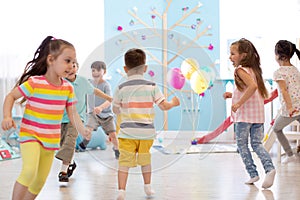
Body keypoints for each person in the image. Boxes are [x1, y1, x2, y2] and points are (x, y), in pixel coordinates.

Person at [1, 36, 91, 200]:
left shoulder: (68, 88)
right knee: (29, 172)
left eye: (74, 61)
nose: (72, 65)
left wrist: (82, 129)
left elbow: (73, 113)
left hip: (50, 140)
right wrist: (7, 116)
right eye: (67, 60)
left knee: (40, 180)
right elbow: (10, 96)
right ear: (51, 60)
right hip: (31, 135)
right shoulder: (34, 83)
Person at [113, 48, 180, 200]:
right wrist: (174, 103)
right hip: (146, 133)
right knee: (145, 159)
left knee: (124, 161)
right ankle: (148, 187)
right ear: (145, 68)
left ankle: (121, 191)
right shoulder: (152, 86)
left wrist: (122, 108)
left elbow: (115, 109)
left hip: (127, 133)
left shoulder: (121, 88)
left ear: (125, 69)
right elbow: (163, 106)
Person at [223, 38, 276, 189]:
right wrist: (232, 95)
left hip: (245, 116)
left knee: (242, 145)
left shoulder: (240, 70)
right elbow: (249, 91)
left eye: (233, 54)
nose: (230, 57)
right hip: (257, 115)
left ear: (243, 55)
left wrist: (238, 103)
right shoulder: (254, 70)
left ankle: (253, 172)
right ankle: (268, 169)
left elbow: (251, 87)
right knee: (257, 144)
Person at [55, 62, 113, 182]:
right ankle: (71, 162)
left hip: (77, 118)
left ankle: (63, 171)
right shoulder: (60, 82)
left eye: (73, 67)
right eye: (67, 68)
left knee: (70, 141)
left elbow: (95, 91)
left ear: (77, 67)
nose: (71, 70)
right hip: (61, 118)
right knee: (62, 143)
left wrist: (108, 98)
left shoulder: (82, 81)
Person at [78, 61, 120, 159]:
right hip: (93, 114)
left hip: (107, 115)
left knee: (113, 134)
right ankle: (84, 143)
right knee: (88, 130)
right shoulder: (89, 83)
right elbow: (83, 94)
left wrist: (101, 107)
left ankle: (117, 149)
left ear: (104, 72)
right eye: (93, 70)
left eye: (98, 70)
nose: (95, 73)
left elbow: (109, 100)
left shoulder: (106, 85)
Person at [271, 40, 300, 164]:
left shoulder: (279, 72)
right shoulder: (294, 69)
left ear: (278, 55)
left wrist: (289, 107)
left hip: (292, 108)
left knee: (276, 129)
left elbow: (284, 90)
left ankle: (289, 154)